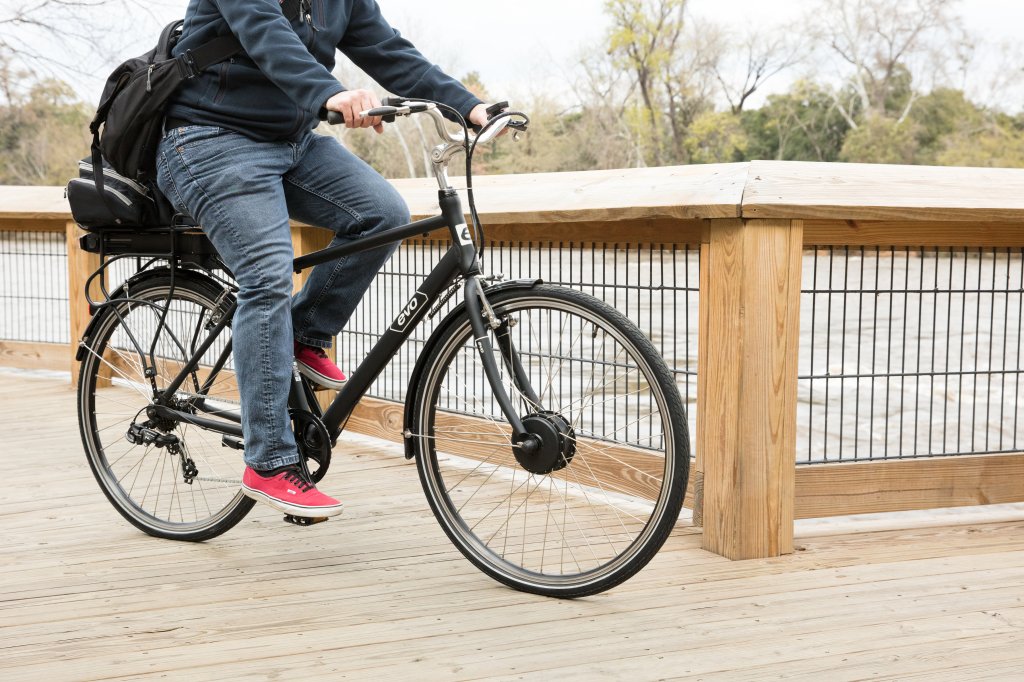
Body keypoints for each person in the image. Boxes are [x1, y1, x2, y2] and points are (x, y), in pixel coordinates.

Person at [156, 0, 492, 518]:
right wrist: (330, 93)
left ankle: (301, 334)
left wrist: (469, 107)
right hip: (207, 139)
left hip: (289, 141)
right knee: (267, 276)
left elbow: (388, 50)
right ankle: (268, 461)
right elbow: (264, 30)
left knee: (383, 214)